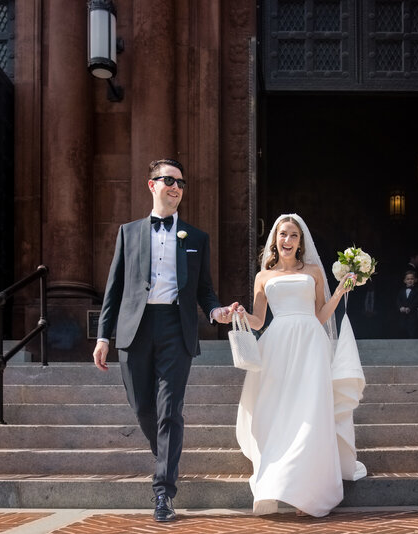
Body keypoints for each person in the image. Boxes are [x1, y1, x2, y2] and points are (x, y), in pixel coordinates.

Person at [93, 158, 238, 522]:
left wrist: (217, 312)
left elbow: (204, 290)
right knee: (144, 407)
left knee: (169, 410)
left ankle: (163, 492)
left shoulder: (197, 237)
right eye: (168, 180)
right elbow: (113, 290)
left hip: (176, 327)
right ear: (151, 185)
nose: (175, 187)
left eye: (180, 183)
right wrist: (103, 336)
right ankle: (166, 457)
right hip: (135, 330)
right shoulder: (128, 233)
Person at [235, 213, 367, 517]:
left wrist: (339, 293)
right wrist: (241, 314)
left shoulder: (313, 271)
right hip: (276, 345)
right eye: (282, 234)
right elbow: (258, 321)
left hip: (311, 343)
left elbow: (321, 315)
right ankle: (277, 481)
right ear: (274, 240)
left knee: (310, 412)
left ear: (300, 241)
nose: (287, 240)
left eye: (293, 235)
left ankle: (308, 493)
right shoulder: (263, 277)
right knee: (277, 411)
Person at [397, 270, 418, 339]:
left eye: (412, 279)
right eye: (408, 279)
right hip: (403, 315)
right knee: (402, 329)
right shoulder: (401, 291)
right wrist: (400, 307)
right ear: (404, 281)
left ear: (415, 280)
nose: (410, 281)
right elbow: (398, 300)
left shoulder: (417, 290)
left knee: (412, 330)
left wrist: (410, 308)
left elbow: (417, 301)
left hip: (413, 314)